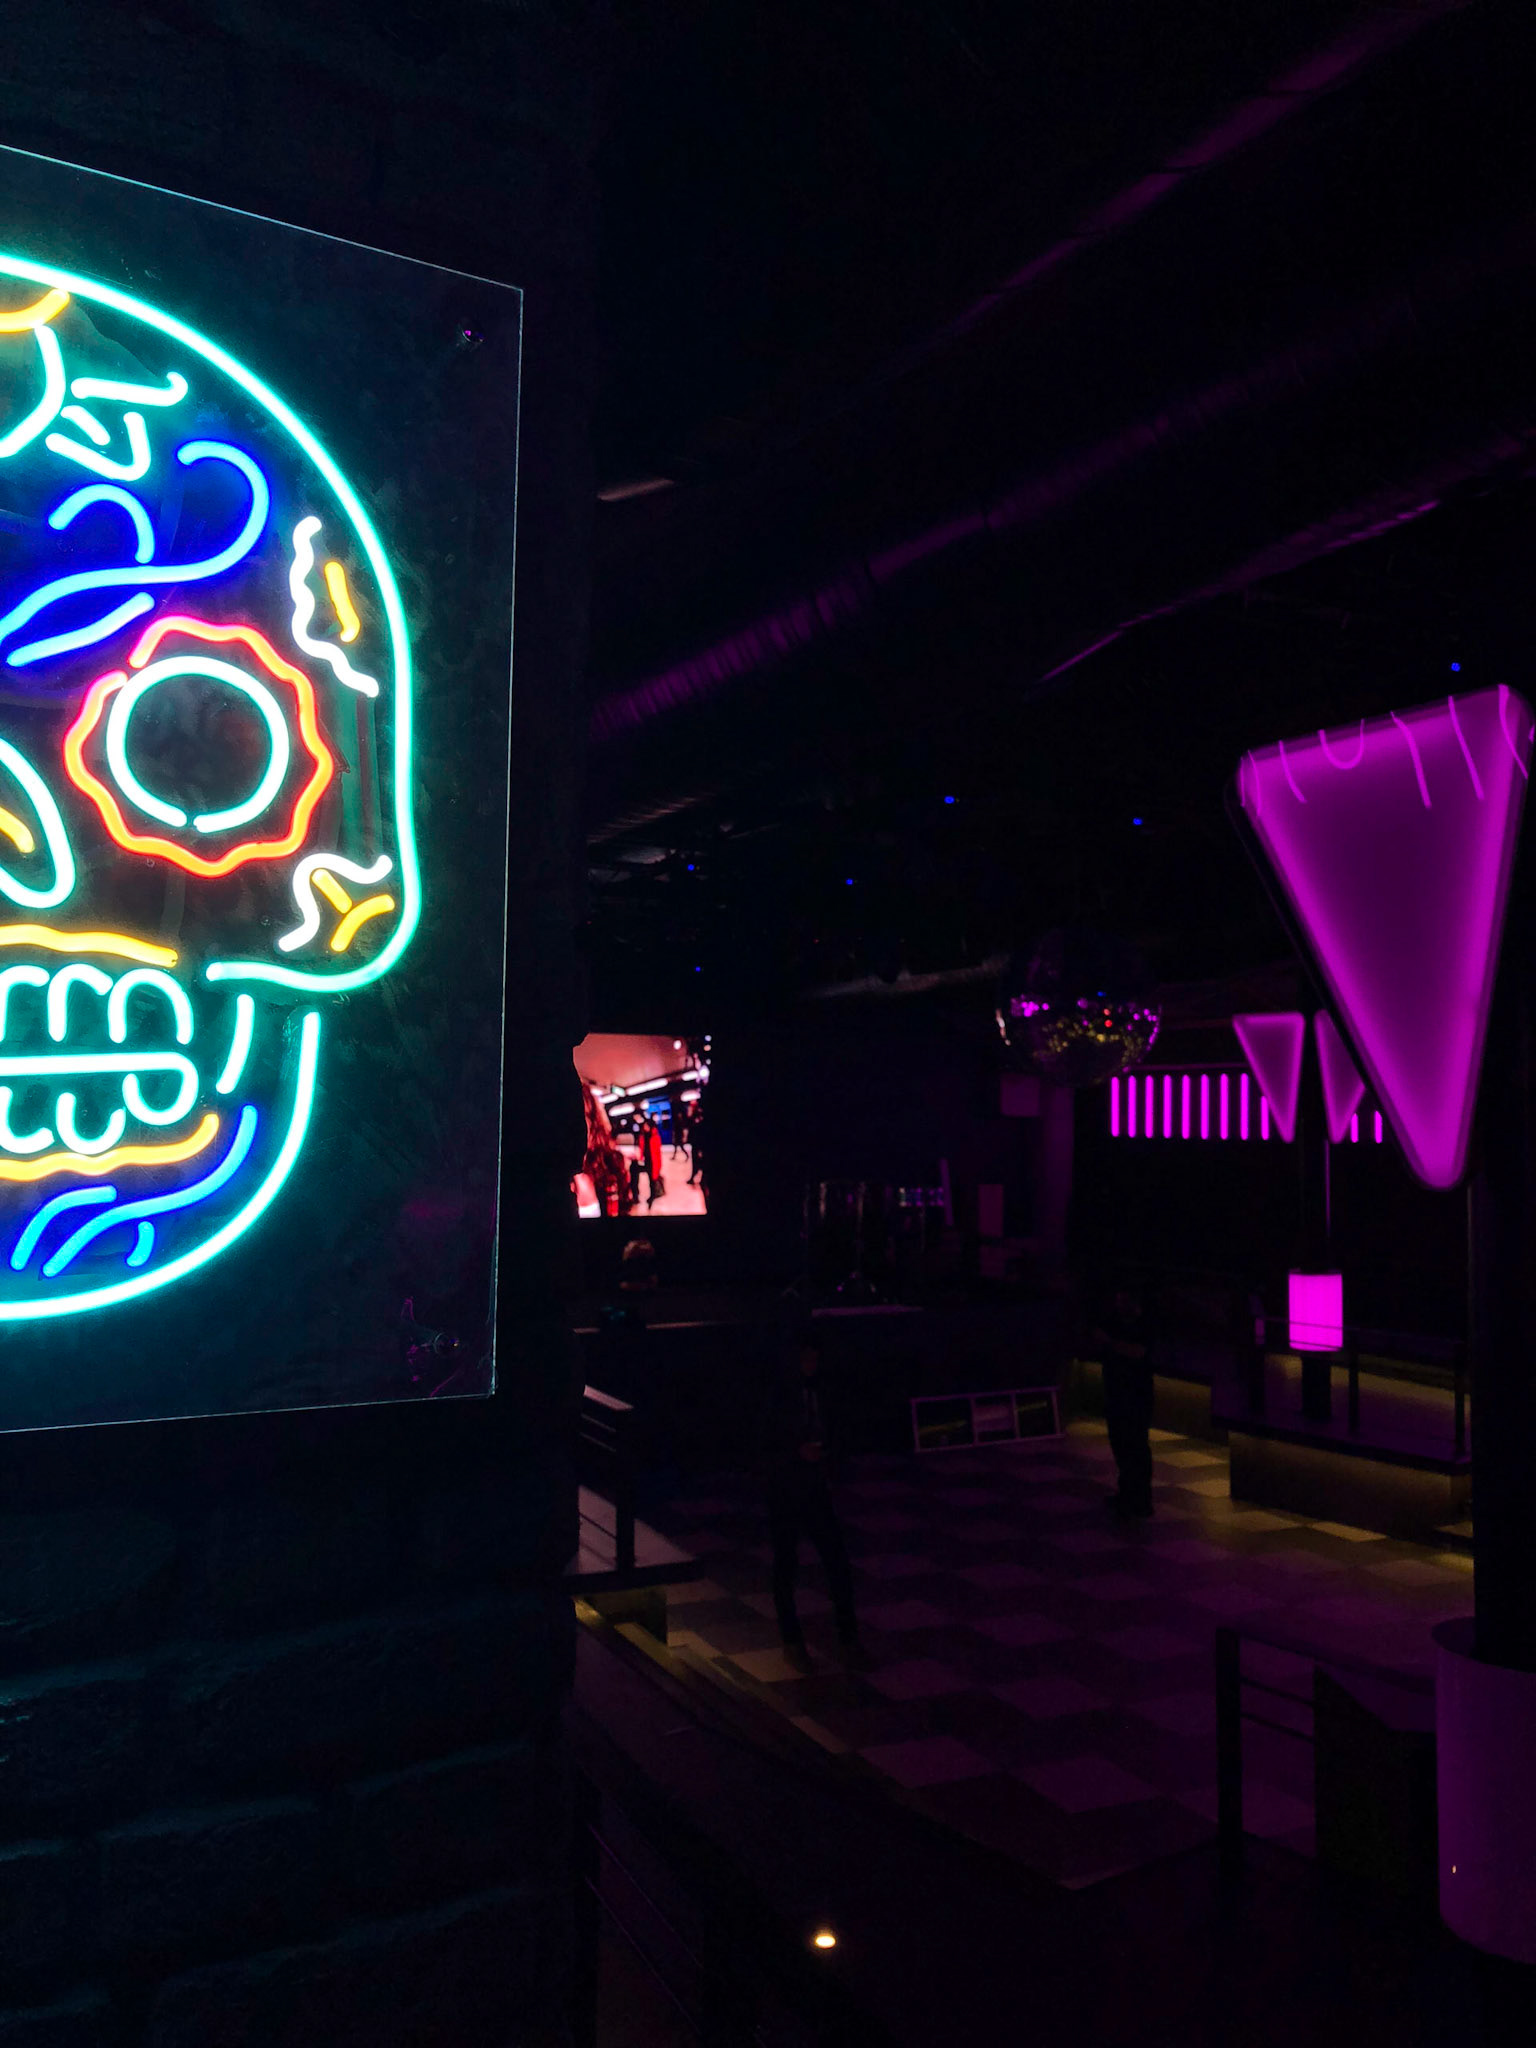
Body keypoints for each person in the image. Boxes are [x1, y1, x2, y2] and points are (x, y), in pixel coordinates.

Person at [759, 1319, 859, 1662]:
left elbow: (837, 1430)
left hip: (813, 1485)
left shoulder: (821, 1391)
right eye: (806, 1360)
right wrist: (795, 1452)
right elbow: (765, 1443)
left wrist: (827, 1454)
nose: (811, 1366)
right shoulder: (780, 1395)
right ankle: (793, 1640)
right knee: (787, 1562)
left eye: (815, 1360)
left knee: (835, 1561)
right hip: (786, 1488)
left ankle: (847, 1638)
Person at [1089, 1274, 1155, 1517]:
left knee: (1135, 1446)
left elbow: (1138, 1352)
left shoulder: (1144, 1325)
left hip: (1136, 1396)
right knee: (1121, 1445)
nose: (1118, 1304)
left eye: (1122, 1299)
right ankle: (1128, 1494)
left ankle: (1141, 1500)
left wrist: (1108, 1343)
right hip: (1117, 1393)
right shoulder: (1115, 1322)